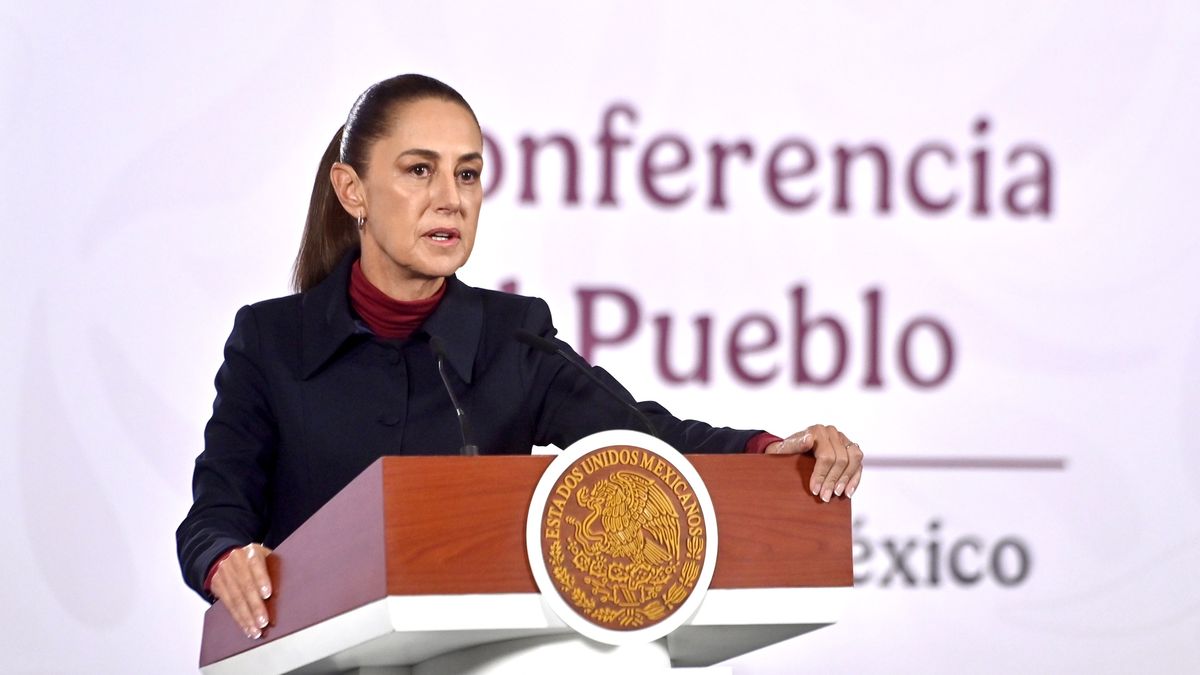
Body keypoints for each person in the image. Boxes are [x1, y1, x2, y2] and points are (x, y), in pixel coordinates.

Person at [176, 74, 865, 641]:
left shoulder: (511, 336)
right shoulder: (270, 342)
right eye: (420, 170)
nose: (451, 198)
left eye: (468, 174)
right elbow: (214, 514)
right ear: (352, 190)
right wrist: (225, 561)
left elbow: (642, 439)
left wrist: (770, 450)